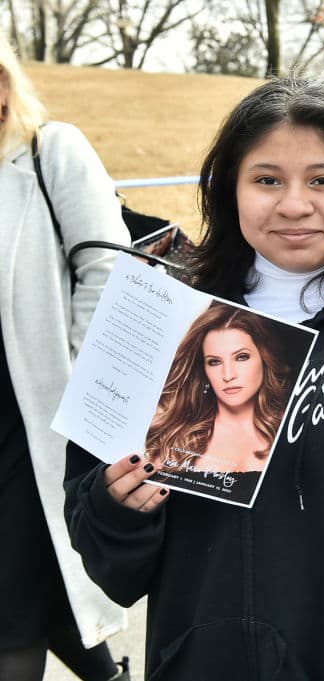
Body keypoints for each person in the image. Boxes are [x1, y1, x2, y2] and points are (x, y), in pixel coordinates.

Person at [64, 77, 324, 680]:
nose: (294, 204)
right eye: (267, 179)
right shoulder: (160, 318)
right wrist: (118, 507)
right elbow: (105, 552)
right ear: (230, 189)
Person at [0, 37, 132, 681]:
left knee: (13, 610)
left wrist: (82, 384)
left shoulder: (50, 151)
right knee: (41, 594)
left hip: (36, 421)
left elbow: (109, 263)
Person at [143, 302, 295, 501]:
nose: (228, 375)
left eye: (241, 357)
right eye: (214, 362)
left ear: (265, 359)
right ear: (203, 370)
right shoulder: (172, 433)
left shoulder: (293, 429)